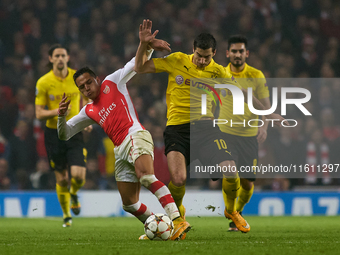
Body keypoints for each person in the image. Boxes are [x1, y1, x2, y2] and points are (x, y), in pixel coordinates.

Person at [134, 20, 287, 233]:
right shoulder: (177, 60)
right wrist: (144, 45)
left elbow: (242, 93)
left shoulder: (218, 72)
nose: (202, 61)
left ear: (214, 53)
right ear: (193, 50)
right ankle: (178, 217)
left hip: (206, 130)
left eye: (207, 56)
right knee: (178, 179)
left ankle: (231, 211)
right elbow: (140, 67)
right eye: (199, 55)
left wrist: (268, 113)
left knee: (231, 171)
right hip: (177, 129)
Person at [57, 30, 191, 240]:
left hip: (135, 135)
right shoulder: (88, 111)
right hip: (120, 149)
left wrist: (145, 45)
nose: (86, 88)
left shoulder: (113, 82)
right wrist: (61, 117)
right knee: (129, 203)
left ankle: (177, 220)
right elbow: (65, 133)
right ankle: (156, 226)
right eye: (81, 87)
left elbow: (135, 64)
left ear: (97, 79)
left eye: (88, 83)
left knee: (146, 177)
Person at [218, 35, 271, 231]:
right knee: (230, 172)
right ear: (227, 53)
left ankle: (237, 212)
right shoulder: (220, 73)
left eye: (241, 51)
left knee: (247, 184)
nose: (237, 54)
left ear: (246, 53)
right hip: (225, 132)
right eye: (234, 51)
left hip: (249, 135)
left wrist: (263, 126)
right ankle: (231, 210)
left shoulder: (256, 75)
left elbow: (265, 106)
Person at [35, 44, 89, 227]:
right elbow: (39, 114)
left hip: (74, 129)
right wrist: (58, 112)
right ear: (50, 59)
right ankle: (66, 215)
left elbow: (88, 97)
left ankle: (74, 193)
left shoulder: (77, 78)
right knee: (62, 178)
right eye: (56, 56)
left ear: (67, 58)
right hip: (53, 134)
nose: (59, 58)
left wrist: (89, 116)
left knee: (79, 176)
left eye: (62, 55)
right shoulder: (43, 82)